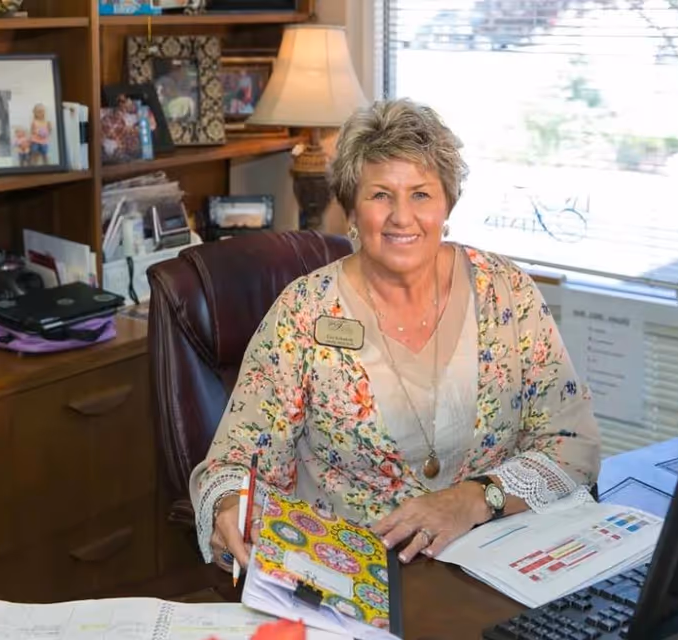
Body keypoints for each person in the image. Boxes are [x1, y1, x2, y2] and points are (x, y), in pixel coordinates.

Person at [189, 98, 601, 574]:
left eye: (421, 194)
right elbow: (235, 465)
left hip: (493, 573)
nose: (402, 217)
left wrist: (474, 498)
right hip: (350, 581)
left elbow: (573, 446)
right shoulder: (303, 314)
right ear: (351, 209)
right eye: (380, 195)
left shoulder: (506, 293)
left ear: (447, 203)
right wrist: (228, 508)